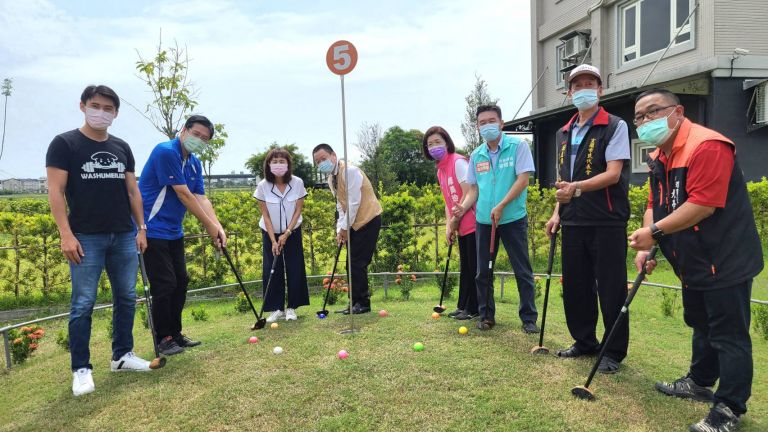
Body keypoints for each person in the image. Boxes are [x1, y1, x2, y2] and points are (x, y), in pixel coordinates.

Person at [629, 89, 763, 432]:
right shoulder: (660, 154)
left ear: (678, 111)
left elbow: (703, 204)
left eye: (652, 111)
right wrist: (648, 244)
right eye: (639, 117)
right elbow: (653, 204)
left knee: (728, 334)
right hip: (693, 260)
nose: (645, 121)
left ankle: (729, 407)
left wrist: (655, 232)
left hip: (725, 258)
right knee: (700, 323)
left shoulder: (707, 145)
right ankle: (700, 382)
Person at [46, 85, 153, 397]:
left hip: (123, 234)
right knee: (83, 303)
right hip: (86, 237)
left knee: (126, 297)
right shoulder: (65, 143)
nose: (102, 112)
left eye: (109, 108)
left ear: (116, 113)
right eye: (96, 105)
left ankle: (122, 355)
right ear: (82, 106)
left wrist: (141, 228)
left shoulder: (121, 146)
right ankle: (81, 368)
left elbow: (133, 191)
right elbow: (56, 191)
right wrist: (66, 234)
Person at [544, 64, 631, 374]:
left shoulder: (614, 126)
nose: (583, 88)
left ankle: (612, 351)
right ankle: (584, 341)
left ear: (600, 90)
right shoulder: (563, 132)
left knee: (611, 287)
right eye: (577, 84)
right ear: (569, 93)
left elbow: (613, 173)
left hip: (607, 219)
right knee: (576, 286)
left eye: (590, 83)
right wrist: (557, 213)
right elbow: (562, 179)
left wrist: (576, 189)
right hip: (573, 220)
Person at [139, 115, 226, 356]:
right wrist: (208, 226)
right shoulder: (166, 152)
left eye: (204, 138)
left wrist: (217, 226)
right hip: (152, 228)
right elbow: (184, 194)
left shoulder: (195, 163)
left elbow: (201, 197)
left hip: (174, 230)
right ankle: (162, 337)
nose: (199, 140)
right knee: (164, 284)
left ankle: (175, 333)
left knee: (181, 281)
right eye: (196, 134)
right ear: (184, 130)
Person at [453, 105, 538, 333]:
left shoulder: (518, 146)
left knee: (522, 270)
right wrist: (462, 208)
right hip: (484, 221)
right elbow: (473, 190)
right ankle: (486, 315)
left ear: (501, 123)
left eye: (491, 120)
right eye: (482, 122)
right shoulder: (476, 154)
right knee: (483, 271)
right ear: (478, 127)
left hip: (512, 218)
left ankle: (529, 318)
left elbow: (523, 180)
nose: (487, 125)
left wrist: (501, 205)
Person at [312, 143, 382, 314]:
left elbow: (354, 202)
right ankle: (354, 302)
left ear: (333, 155)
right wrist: (340, 230)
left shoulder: (349, 171)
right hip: (353, 222)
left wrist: (345, 229)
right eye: (318, 162)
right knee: (351, 264)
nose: (322, 163)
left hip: (369, 219)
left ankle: (363, 303)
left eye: (324, 158)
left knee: (358, 263)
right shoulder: (331, 178)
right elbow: (340, 205)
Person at [422, 126, 478, 320]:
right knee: (465, 266)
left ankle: (474, 308)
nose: (434, 147)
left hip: (473, 222)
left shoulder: (458, 162)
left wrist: (456, 219)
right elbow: (448, 201)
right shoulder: (440, 170)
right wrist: (449, 225)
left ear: (447, 142)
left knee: (473, 267)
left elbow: (470, 192)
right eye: (430, 144)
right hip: (460, 225)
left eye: (437, 142)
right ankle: (463, 306)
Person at [253, 148, 310, 322]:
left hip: (292, 230)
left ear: (288, 164)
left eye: (282, 161)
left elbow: (298, 209)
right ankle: (276, 308)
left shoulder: (297, 182)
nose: (278, 164)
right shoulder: (263, 185)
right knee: (272, 268)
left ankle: (292, 307)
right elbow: (266, 216)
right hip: (269, 231)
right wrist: (273, 240)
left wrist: (286, 233)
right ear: (268, 165)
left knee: (294, 267)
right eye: (274, 161)